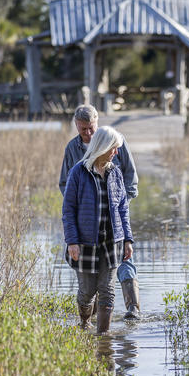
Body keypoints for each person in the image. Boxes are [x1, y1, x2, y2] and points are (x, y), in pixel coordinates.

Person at [59, 105, 141, 319]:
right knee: (90, 277)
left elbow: (130, 177)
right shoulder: (73, 150)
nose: (87, 133)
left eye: (91, 129)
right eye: (83, 129)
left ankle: (133, 307)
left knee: (123, 258)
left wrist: (119, 203)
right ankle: (90, 313)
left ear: (97, 123)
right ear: (77, 126)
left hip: (115, 213)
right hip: (86, 219)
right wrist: (82, 206)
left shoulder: (115, 142)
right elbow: (65, 186)